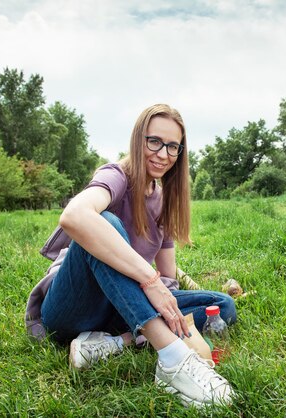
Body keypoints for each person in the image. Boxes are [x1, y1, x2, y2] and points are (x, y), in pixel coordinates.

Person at [25, 104, 236, 408]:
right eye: (154, 142)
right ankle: (173, 360)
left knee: (221, 306)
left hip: (119, 307)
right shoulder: (116, 176)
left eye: (173, 146)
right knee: (104, 224)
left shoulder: (164, 202)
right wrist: (149, 280)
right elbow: (75, 215)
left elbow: (168, 276)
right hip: (71, 308)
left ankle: (112, 344)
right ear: (138, 140)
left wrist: (167, 285)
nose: (163, 154)